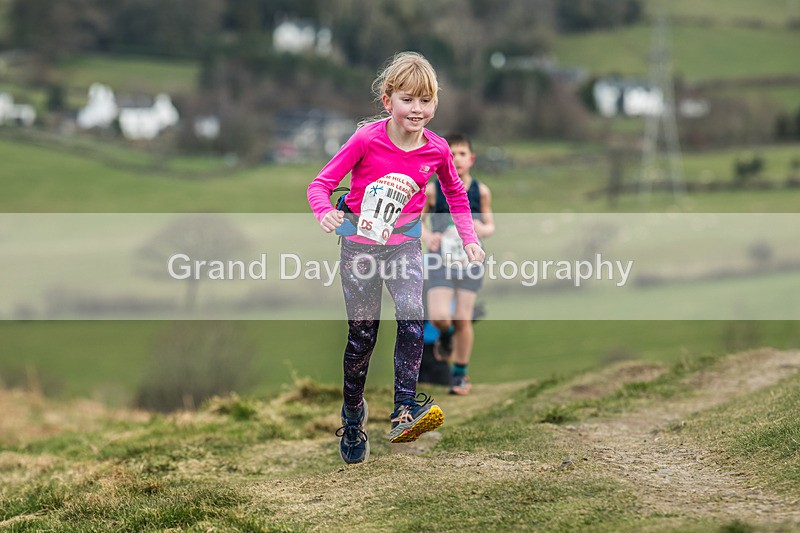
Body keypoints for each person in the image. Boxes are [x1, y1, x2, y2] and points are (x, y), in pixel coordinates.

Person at [307, 52, 485, 464]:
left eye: (425, 101)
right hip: (359, 249)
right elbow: (321, 184)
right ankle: (353, 417)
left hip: (404, 246)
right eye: (408, 100)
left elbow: (456, 195)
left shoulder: (437, 150)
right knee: (362, 339)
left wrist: (469, 237)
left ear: (435, 104)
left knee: (410, 313)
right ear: (388, 101)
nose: (417, 109)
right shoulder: (366, 139)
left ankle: (404, 410)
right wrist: (326, 211)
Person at [421, 133, 495, 396]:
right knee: (440, 316)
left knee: (463, 317)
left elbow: (490, 225)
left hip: (470, 260)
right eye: (451, 155)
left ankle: (460, 376)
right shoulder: (432, 190)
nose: (457, 159)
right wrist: (430, 236)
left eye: (462, 154)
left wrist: (479, 229)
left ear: (471, 158)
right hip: (439, 260)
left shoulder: (480, 190)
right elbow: (415, 222)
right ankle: (444, 335)